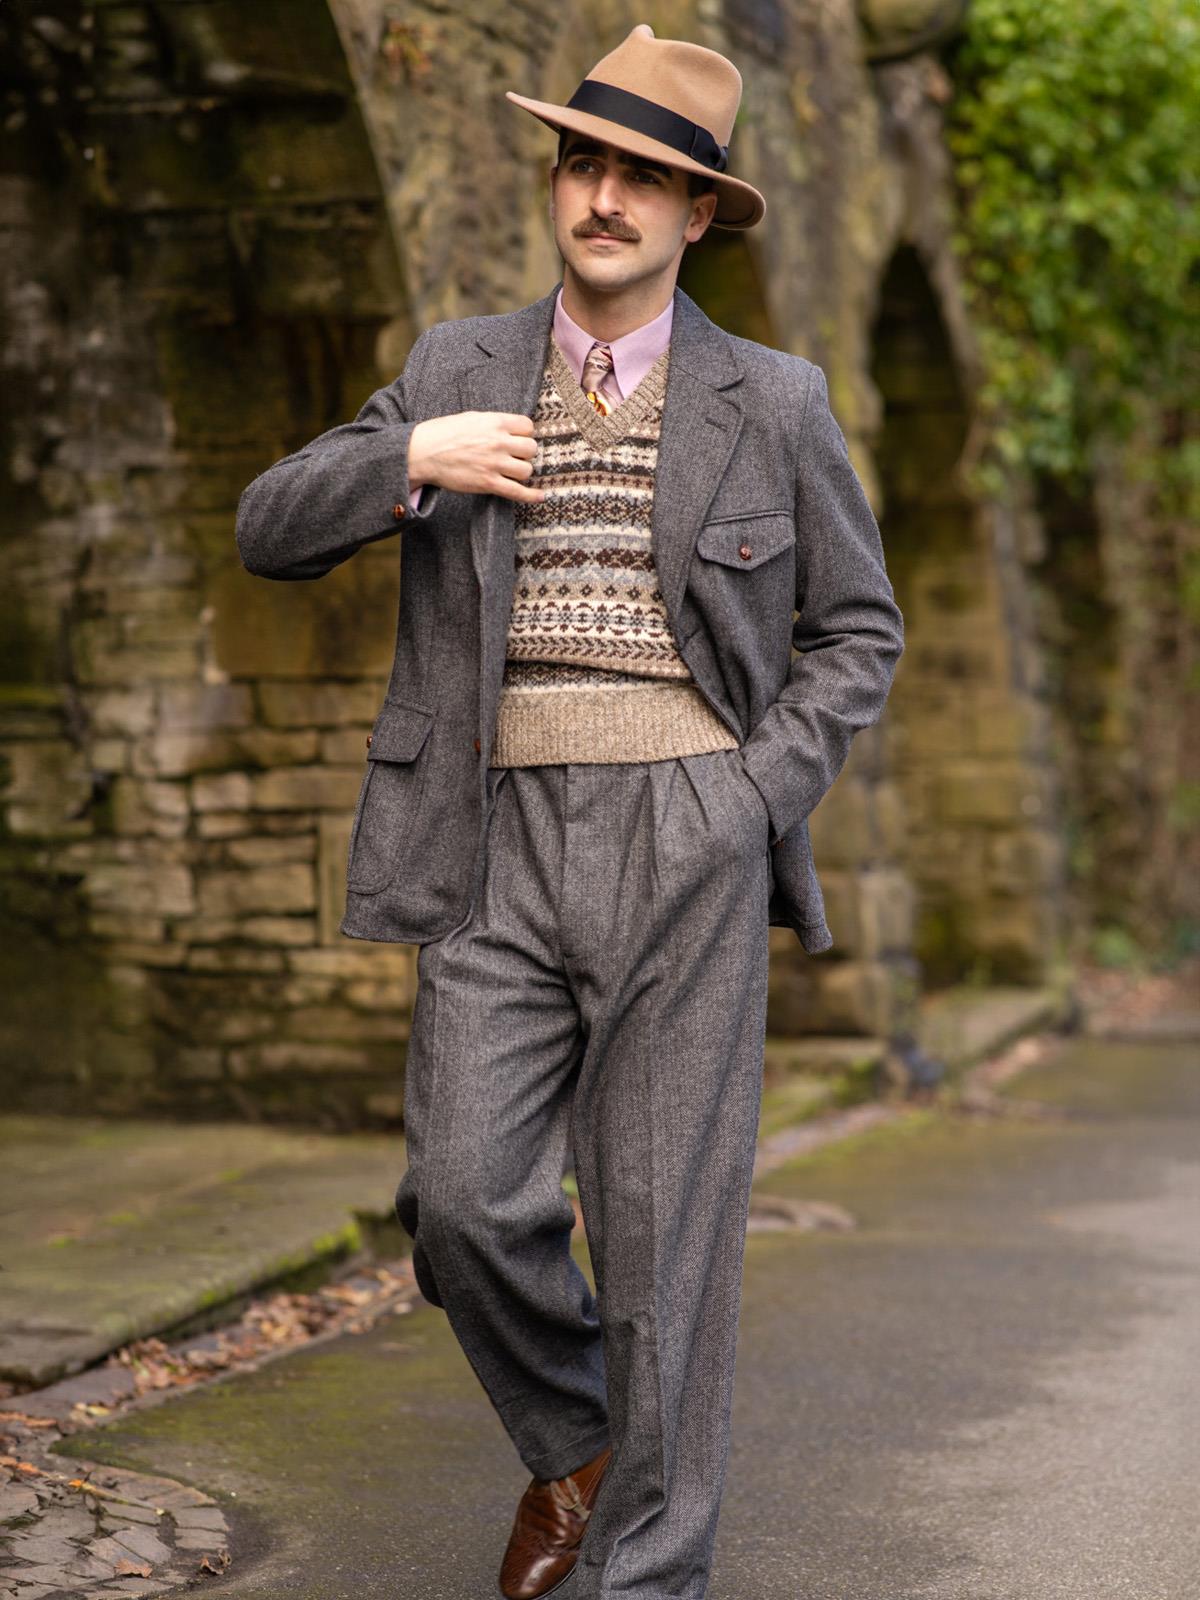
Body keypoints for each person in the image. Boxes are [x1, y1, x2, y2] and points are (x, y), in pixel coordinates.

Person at [236, 22, 904, 1598]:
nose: (604, 198)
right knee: (463, 1202)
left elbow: (858, 631)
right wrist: (409, 455)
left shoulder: (775, 399)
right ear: (556, 182)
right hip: (486, 838)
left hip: (689, 830)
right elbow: (268, 529)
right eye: (584, 163)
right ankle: (584, 1448)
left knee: (664, 1239)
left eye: (643, 179)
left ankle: (646, 1577)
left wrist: (748, 795)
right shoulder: (457, 368)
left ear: (696, 213)